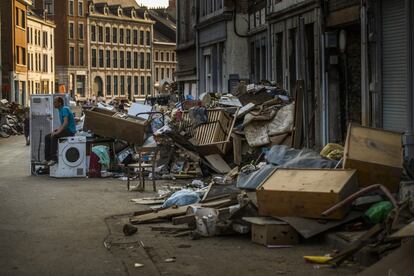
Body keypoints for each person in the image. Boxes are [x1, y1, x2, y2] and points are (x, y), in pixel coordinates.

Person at [44, 97, 76, 166]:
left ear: (59, 103)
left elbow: (65, 123)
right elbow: (63, 125)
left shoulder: (64, 109)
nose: (53, 103)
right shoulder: (60, 110)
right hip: (66, 130)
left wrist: (57, 132)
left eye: (55, 102)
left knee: (54, 136)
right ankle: (48, 159)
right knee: (47, 137)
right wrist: (56, 131)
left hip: (70, 131)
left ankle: (54, 159)